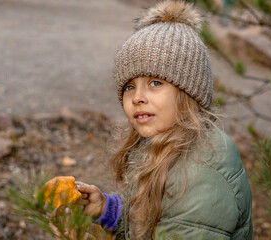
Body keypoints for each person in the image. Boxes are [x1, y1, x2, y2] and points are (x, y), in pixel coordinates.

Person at [75, 1, 252, 239]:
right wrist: (109, 210)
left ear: (188, 91)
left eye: (155, 83)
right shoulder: (156, 143)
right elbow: (156, 221)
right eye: (129, 86)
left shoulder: (203, 172)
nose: (137, 97)